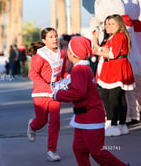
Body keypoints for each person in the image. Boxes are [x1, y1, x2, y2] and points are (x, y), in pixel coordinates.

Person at [54, 36, 129, 166]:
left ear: (71, 53)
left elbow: (79, 93)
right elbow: (79, 88)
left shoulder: (79, 69)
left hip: (91, 116)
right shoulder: (81, 68)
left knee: (96, 151)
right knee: (79, 149)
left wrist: (58, 94)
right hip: (84, 116)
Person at [26, 27, 69, 162]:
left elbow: (62, 73)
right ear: (44, 40)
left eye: (55, 36)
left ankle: (52, 150)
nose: (55, 39)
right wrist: (46, 86)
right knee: (42, 121)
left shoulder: (62, 53)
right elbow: (32, 74)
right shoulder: (39, 56)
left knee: (55, 121)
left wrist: (70, 77)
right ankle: (32, 126)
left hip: (55, 92)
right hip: (40, 93)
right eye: (50, 37)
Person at [92, 14, 135, 136]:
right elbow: (102, 50)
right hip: (115, 67)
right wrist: (95, 41)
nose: (108, 26)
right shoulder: (114, 37)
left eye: (111, 24)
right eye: (106, 24)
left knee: (112, 97)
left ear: (119, 25)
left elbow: (112, 54)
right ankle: (120, 124)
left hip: (116, 68)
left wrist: (98, 52)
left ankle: (114, 124)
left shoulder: (118, 36)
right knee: (118, 97)